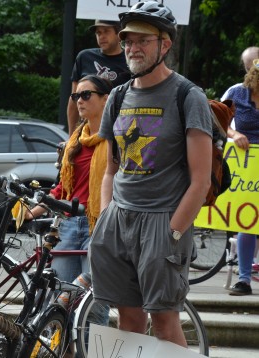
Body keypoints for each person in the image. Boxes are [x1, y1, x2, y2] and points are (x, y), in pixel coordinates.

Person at [89, 1, 212, 347]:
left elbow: (200, 179)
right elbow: (111, 169)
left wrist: (173, 232)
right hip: (119, 219)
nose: (132, 48)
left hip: (162, 221)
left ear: (165, 45)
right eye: (128, 41)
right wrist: (105, 216)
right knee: (127, 319)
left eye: (143, 40)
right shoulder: (116, 97)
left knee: (164, 322)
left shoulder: (188, 96)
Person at [26, 75, 113, 282]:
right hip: (69, 223)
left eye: (86, 94)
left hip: (100, 224)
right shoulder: (75, 141)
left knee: (93, 301)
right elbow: (64, 189)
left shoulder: (116, 138)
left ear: (106, 99)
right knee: (59, 294)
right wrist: (32, 211)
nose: (79, 101)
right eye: (76, 96)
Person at [221, 59, 259, 296]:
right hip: (244, 167)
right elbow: (217, 118)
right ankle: (244, 279)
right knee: (248, 220)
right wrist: (234, 134)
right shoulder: (237, 93)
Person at [67, 19, 130, 136]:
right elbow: (74, 99)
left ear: (119, 34)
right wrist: (71, 138)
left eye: (106, 31)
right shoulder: (84, 57)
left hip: (117, 131)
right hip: (86, 131)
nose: (101, 36)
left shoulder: (129, 60)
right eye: (98, 33)